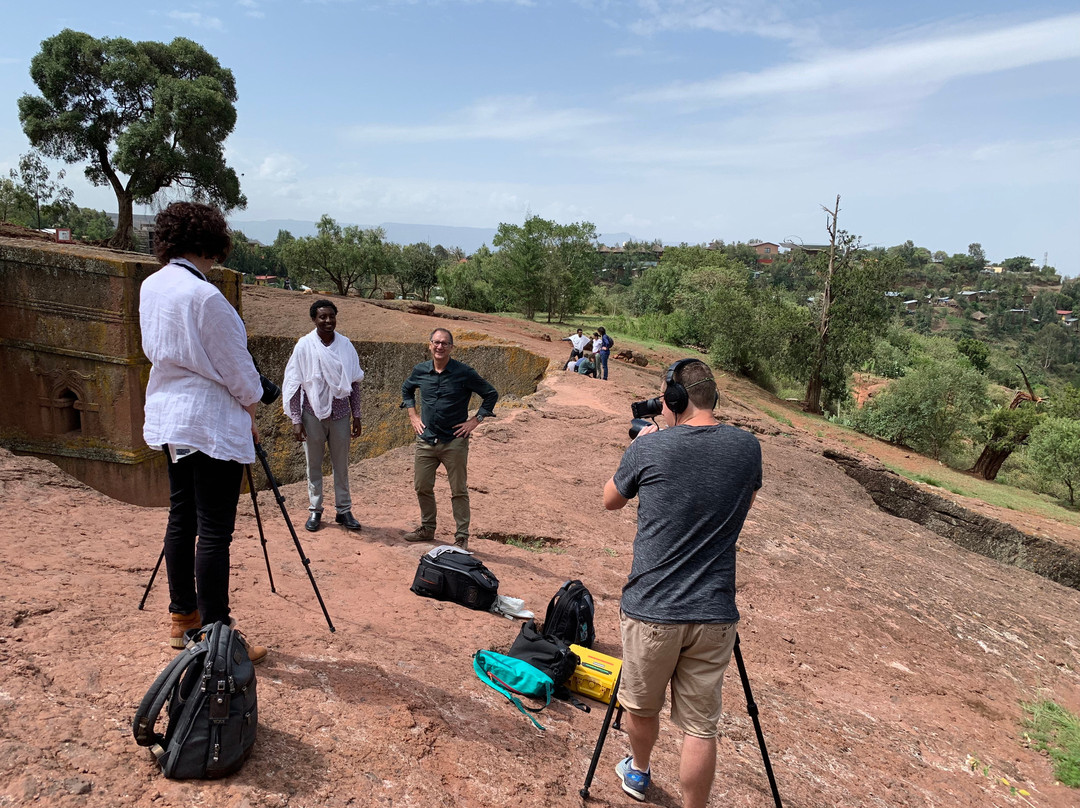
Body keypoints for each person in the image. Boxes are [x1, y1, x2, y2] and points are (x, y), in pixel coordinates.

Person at [603, 359, 761, 806]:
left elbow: (610, 500)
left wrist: (643, 446)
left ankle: (639, 771)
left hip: (653, 606)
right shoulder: (748, 447)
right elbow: (744, 502)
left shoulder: (648, 448)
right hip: (714, 611)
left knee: (640, 705)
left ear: (674, 398)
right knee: (700, 726)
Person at [140, 201, 267, 663]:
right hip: (210, 420)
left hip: (171, 415)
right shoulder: (207, 297)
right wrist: (252, 405)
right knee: (214, 530)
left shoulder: (152, 286)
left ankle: (183, 619)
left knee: (182, 517)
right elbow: (239, 370)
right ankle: (217, 636)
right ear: (212, 241)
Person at [400, 328, 498, 551]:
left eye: (444, 343)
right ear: (429, 345)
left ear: (451, 347)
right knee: (422, 486)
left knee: (458, 490)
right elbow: (406, 389)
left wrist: (475, 421)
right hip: (426, 440)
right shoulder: (420, 370)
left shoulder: (464, 372)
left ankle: (461, 536)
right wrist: (413, 415)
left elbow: (490, 394)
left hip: (454, 441)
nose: (440, 347)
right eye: (436, 342)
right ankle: (427, 528)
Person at [282, 299, 365, 533]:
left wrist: (356, 415)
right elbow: (294, 384)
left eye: (331, 316)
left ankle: (344, 510)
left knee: (341, 465)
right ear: (314, 319)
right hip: (312, 415)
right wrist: (296, 419)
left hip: (340, 414)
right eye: (322, 317)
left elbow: (355, 382)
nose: (328, 321)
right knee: (314, 465)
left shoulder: (346, 346)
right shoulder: (304, 346)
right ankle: (315, 510)